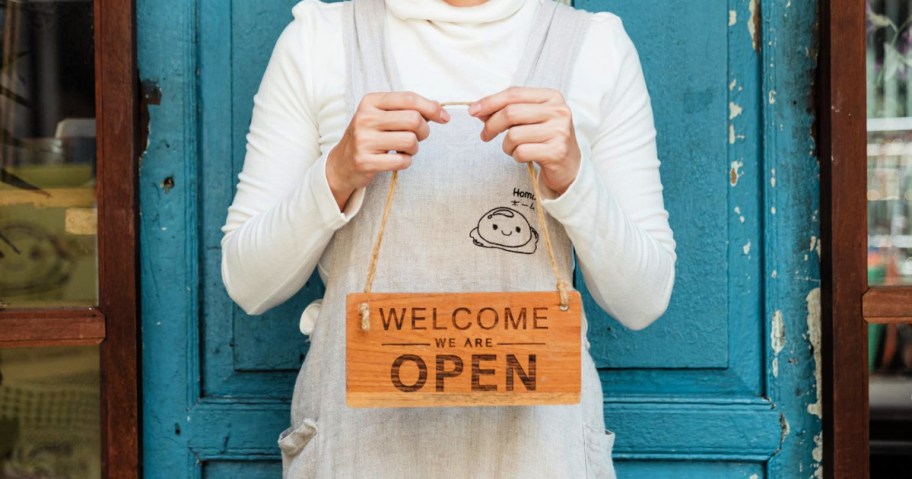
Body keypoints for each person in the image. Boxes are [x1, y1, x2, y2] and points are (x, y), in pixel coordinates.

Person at [220, 0, 676, 477]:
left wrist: (574, 178)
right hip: (358, 452)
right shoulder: (320, 41)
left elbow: (642, 300)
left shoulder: (595, 47)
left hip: (540, 453)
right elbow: (250, 283)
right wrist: (336, 173)